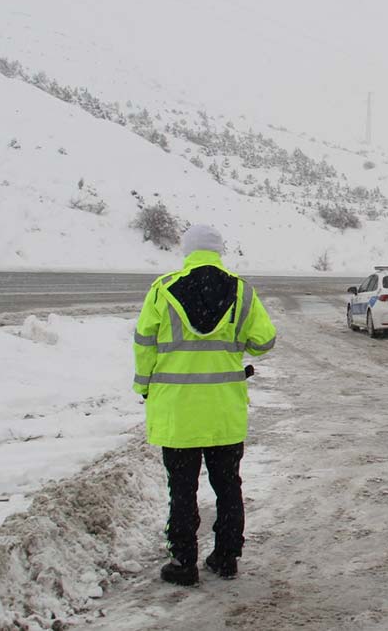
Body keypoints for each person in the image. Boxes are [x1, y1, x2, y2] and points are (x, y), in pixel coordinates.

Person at [132, 224, 276, 586]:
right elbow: (264, 341)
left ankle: (183, 562)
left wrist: (144, 385)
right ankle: (226, 557)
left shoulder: (163, 290)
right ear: (219, 250)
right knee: (228, 486)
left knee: (182, 489)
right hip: (223, 413)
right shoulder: (242, 291)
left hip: (178, 413)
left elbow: (144, 343)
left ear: (187, 250)